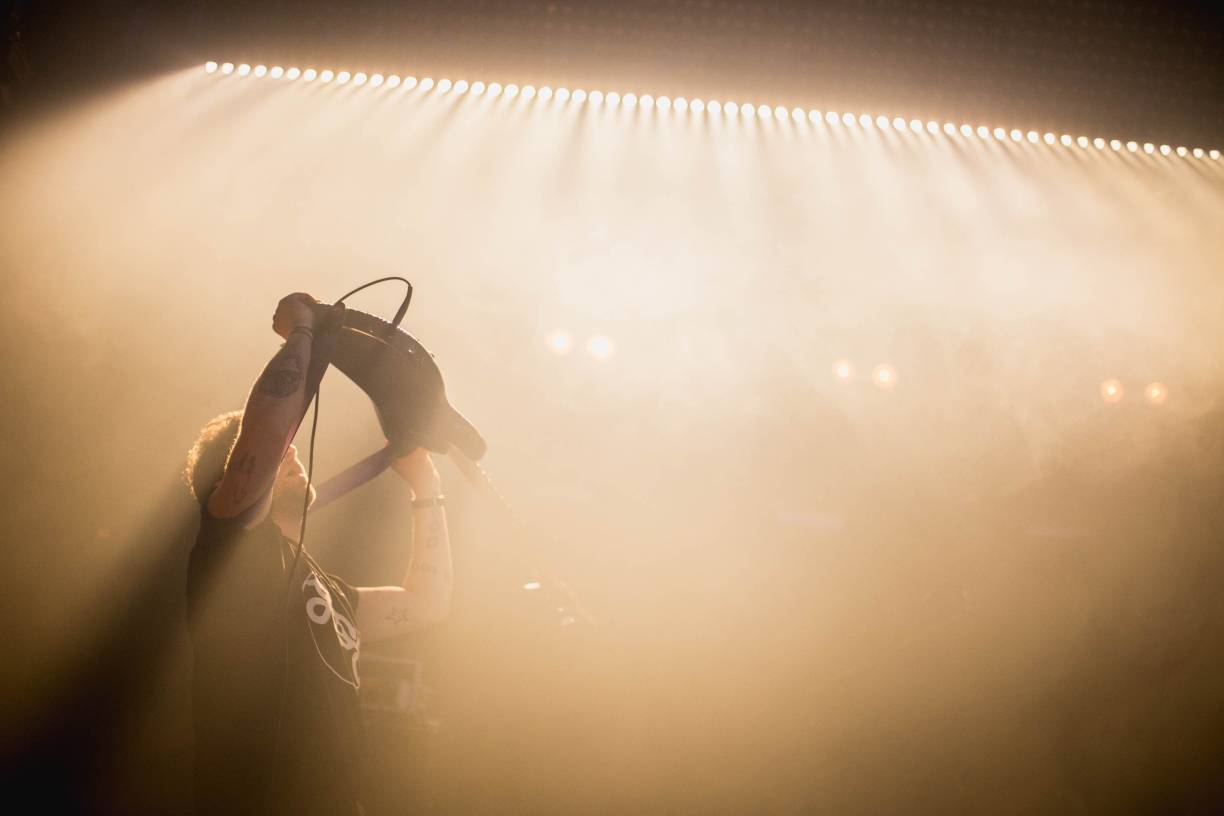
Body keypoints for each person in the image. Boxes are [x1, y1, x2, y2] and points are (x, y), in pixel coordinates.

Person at [183, 292, 452, 815]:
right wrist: (306, 333)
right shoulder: (231, 548)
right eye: (271, 454)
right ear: (230, 479)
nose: (290, 454)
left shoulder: (326, 590)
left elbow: (427, 603)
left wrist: (426, 483)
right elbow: (265, 431)